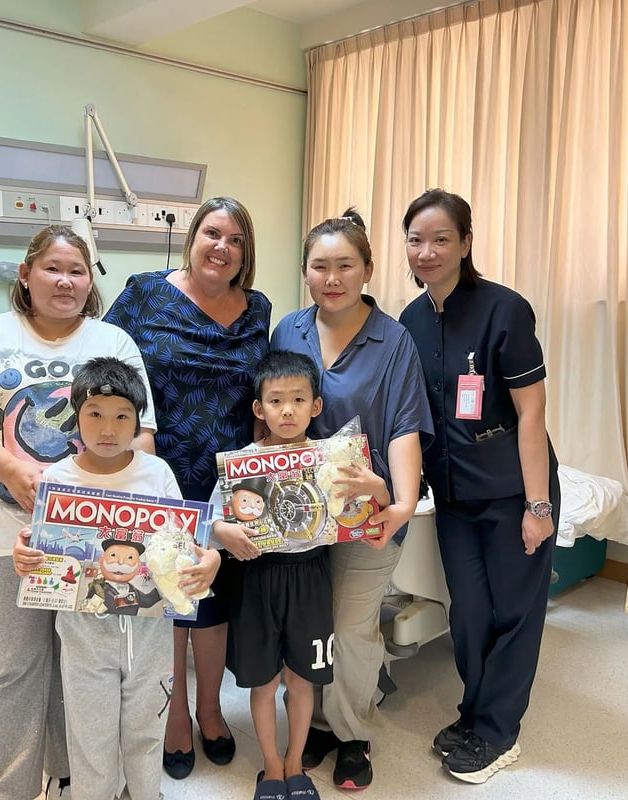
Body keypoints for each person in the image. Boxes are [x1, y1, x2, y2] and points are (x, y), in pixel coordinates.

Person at [0, 225, 157, 800]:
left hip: (94, 544)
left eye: (77, 271)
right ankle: (6, 788)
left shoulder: (114, 342)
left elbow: (143, 436)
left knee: (86, 672)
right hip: (6, 537)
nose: (65, 280)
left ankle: (76, 777)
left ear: (90, 282)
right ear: (25, 275)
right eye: (52, 268)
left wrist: (119, 521)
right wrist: (9, 470)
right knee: (10, 672)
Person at [103, 197, 271, 779]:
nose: (221, 247)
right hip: (158, 470)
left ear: (245, 254)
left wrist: (259, 475)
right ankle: (175, 715)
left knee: (214, 598)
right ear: (192, 237)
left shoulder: (257, 310)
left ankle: (210, 710)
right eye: (212, 233)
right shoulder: (145, 292)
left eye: (236, 240)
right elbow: (106, 366)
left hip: (230, 478)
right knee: (171, 598)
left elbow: (262, 395)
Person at [398, 188, 560, 784]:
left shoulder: (505, 310)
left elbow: (532, 418)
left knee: (514, 613)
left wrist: (539, 506)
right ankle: (474, 711)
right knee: (468, 613)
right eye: (416, 239)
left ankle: (498, 733)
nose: (427, 251)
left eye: (442, 238)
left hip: (516, 489)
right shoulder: (412, 320)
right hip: (455, 496)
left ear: (466, 243)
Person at [270, 210, 433, 790]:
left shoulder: (394, 340)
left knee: (350, 622)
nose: (332, 277)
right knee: (308, 619)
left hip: (368, 507)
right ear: (305, 272)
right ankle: (316, 720)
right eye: (320, 267)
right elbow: (270, 412)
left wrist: (403, 504)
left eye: (345, 266)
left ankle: (353, 732)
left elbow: (405, 427)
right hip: (297, 511)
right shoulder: (288, 330)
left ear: (367, 270)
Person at [13, 357, 220, 800]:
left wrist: (210, 562)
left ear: (138, 420)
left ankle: (148, 793)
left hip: (150, 639)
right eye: (95, 415)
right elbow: (39, 549)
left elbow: (186, 545)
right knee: (90, 737)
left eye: (122, 416)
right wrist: (24, 556)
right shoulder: (57, 479)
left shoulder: (156, 473)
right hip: (84, 640)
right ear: (76, 417)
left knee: (147, 731)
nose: (108, 429)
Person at [211, 350, 391, 800]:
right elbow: (213, 520)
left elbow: (371, 508)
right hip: (257, 578)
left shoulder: (333, 459)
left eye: (297, 399)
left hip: (311, 576)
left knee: (302, 678)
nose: (286, 410)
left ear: (316, 406)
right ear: (259, 409)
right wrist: (223, 531)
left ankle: (296, 765)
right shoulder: (243, 464)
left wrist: (377, 488)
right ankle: (271, 767)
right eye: (275, 401)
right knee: (263, 681)